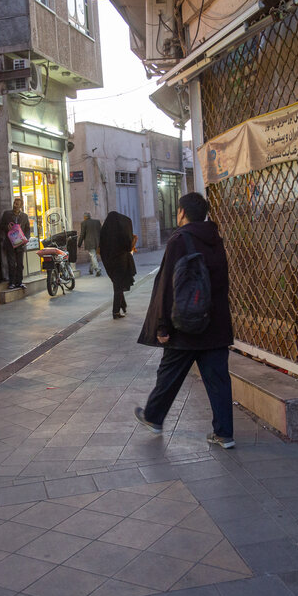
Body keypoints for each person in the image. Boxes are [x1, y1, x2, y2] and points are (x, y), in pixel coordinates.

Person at [134, 192, 236, 448]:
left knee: (169, 374)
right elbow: (223, 282)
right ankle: (224, 434)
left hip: (185, 325)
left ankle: (153, 417)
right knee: (218, 380)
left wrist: (162, 325)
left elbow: (167, 287)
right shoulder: (215, 238)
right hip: (215, 323)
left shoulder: (179, 240)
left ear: (181, 212)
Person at [99, 211, 135, 319]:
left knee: (117, 283)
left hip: (108, 262)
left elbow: (101, 247)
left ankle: (123, 305)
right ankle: (116, 312)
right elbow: (128, 246)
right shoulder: (121, 232)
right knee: (118, 286)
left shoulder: (104, 232)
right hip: (121, 261)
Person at [0, 196, 31, 290]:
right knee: (11, 263)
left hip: (21, 244)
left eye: (17, 204)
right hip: (10, 243)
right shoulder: (7, 214)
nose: (15, 205)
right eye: (14, 203)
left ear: (21, 205)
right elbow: (0, 226)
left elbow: (28, 229)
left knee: (20, 264)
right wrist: (6, 227)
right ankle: (11, 282)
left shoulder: (24, 216)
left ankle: (19, 282)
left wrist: (26, 238)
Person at [79, 211, 102, 276]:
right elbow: (101, 231)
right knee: (93, 255)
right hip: (97, 242)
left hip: (89, 242)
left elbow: (82, 234)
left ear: (85, 217)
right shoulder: (97, 222)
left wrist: (79, 244)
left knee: (93, 255)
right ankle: (91, 269)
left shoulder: (84, 223)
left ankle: (98, 269)